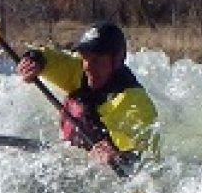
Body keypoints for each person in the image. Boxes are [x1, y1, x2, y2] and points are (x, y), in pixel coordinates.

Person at [16, 21, 158, 168]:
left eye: (96, 60)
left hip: (105, 178)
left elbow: (146, 166)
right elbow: (47, 58)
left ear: (117, 60)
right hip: (70, 159)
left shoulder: (136, 105)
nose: (88, 67)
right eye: (85, 57)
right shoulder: (79, 72)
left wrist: (116, 156)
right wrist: (32, 61)